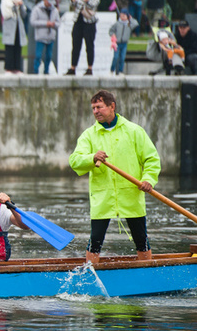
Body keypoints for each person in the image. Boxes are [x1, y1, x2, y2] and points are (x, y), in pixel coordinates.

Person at [68, 90, 160, 265]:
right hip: (103, 197)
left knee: (141, 238)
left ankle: (147, 269)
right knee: (95, 240)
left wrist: (149, 179)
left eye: (99, 107)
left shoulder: (134, 131)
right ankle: (90, 271)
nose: (95, 111)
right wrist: (92, 157)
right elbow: (74, 160)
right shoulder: (89, 135)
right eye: (93, 108)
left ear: (112, 107)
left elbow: (151, 159)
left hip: (131, 194)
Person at [66, 0, 100, 76]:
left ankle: (90, 68)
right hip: (78, 21)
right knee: (76, 45)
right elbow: (72, 3)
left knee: (89, 46)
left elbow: (91, 5)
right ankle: (73, 67)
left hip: (89, 23)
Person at [30, 0, 60, 74]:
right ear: (44, 0)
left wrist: (54, 24)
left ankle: (46, 72)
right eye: (48, 1)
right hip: (40, 36)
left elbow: (58, 23)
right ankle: (35, 72)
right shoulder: (37, 9)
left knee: (49, 56)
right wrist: (46, 23)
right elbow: (33, 22)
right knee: (38, 56)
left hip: (51, 37)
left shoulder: (55, 10)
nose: (50, 4)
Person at [1, 0, 27, 74]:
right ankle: (9, 68)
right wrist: (14, 6)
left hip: (18, 27)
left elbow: (24, 14)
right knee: (9, 48)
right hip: (10, 27)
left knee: (17, 47)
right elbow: (6, 14)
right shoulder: (6, 0)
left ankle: (17, 68)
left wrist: (21, 6)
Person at [108, 9, 139, 75]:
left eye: (124, 16)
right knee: (116, 57)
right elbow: (111, 30)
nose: (122, 17)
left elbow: (136, 24)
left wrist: (131, 18)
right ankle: (112, 70)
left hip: (124, 43)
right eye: (121, 16)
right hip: (117, 43)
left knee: (122, 58)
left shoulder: (129, 24)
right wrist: (113, 35)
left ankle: (120, 71)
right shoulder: (117, 24)